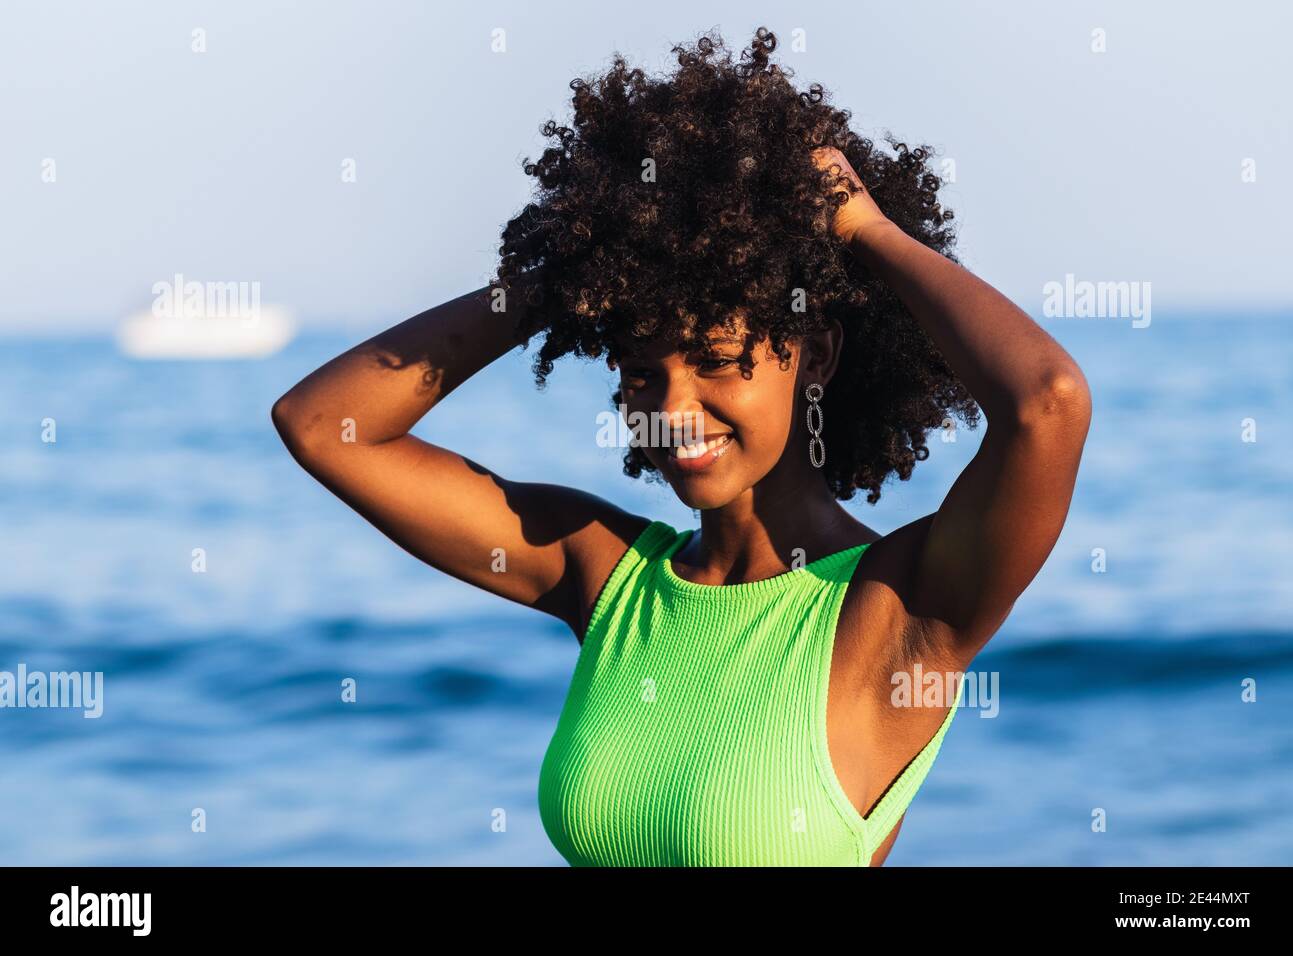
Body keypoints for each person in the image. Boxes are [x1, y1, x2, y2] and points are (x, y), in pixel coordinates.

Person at [271, 27, 1091, 866]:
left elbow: (1047, 403)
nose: (673, 408)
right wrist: (551, 277)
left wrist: (864, 230)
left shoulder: (902, 608)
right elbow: (325, 426)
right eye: (639, 372)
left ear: (817, 357)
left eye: (718, 362)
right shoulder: (603, 574)